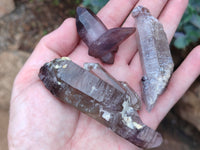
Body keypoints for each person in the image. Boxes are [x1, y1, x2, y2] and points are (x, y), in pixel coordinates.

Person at [8, 0, 200, 149]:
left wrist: (100, 70)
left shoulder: (131, 104)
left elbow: (119, 87)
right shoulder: (60, 76)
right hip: (77, 81)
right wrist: (98, 69)